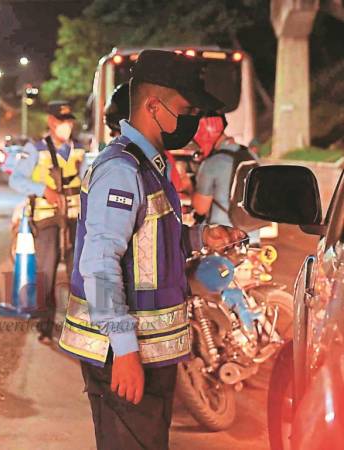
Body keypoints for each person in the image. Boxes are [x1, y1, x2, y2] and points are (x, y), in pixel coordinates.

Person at [57, 50, 245, 449]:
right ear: (153, 106)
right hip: (121, 353)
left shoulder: (150, 166)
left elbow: (147, 244)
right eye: (186, 108)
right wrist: (125, 351)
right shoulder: (122, 170)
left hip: (152, 353)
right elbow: (100, 264)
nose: (193, 119)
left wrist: (199, 239)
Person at [9, 101, 86, 344]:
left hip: (75, 218)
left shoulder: (80, 149)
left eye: (69, 121)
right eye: (63, 121)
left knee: (80, 273)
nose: (67, 126)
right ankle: (45, 323)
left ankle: (79, 325)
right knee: (47, 272)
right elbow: (16, 180)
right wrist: (42, 190)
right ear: (51, 122)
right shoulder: (35, 149)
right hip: (46, 218)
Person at [192, 113, 261, 244]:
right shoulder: (251, 156)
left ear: (204, 137)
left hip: (223, 239)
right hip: (252, 236)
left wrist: (189, 187)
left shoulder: (212, 162)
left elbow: (201, 208)